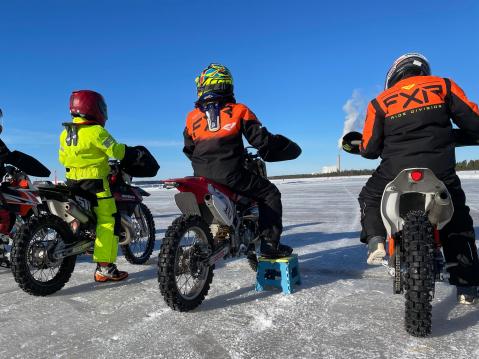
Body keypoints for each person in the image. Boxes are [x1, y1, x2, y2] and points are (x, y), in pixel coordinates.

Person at [355, 53, 479, 304]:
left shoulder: (379, 102)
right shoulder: (442, 85)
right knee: (457, 217)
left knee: (369, 195)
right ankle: (467, 285)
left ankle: (377, 240)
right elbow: (473, 122)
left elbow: (368, 148)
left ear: (394, 75)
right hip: (440, 168)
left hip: (394, 170)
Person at [183, 63, 300, 258]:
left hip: (201, 175)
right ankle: (270, 243)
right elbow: (262, 140)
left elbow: (188, 149)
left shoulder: (192, 117)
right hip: (232, 174)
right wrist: (282, 145)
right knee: (269, 193)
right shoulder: (239, 110)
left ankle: (221, 231)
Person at [59, 90, 139, 282]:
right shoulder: (96, 131)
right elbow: (116, 150)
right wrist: (130, 153)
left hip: (72, 182)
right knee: (108, 220)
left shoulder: (66, 133)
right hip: (95, 184)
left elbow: (62, 157)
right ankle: (105, 267)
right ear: (93, 108)